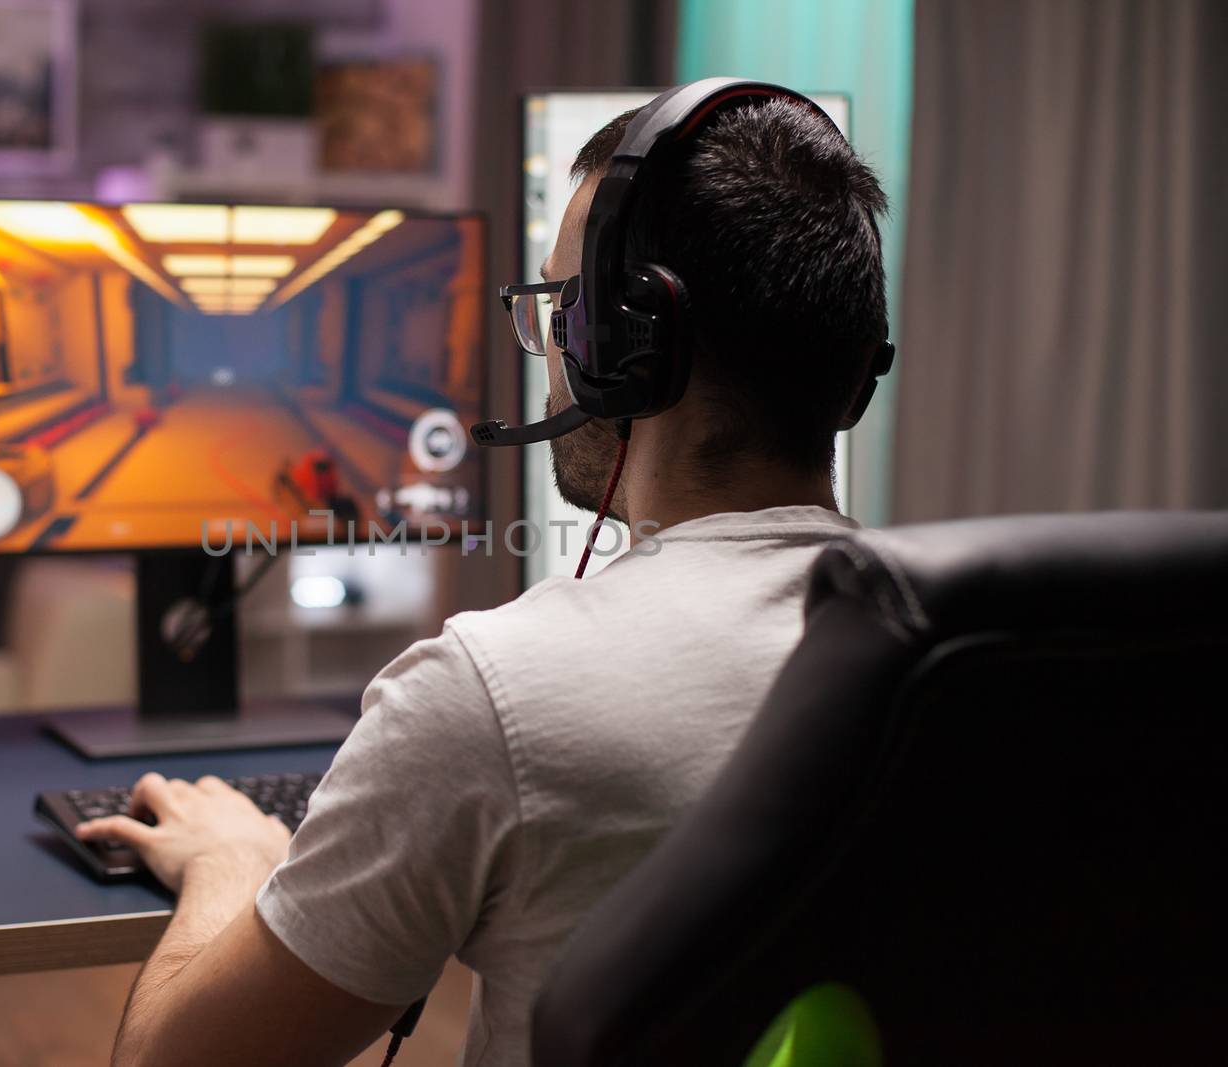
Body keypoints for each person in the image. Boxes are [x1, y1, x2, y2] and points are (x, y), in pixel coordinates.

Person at [74, 93, 891, 1067]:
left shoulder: (492, 693)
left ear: (618, 353)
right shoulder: (976, 663)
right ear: (851, 374)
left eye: (558, 309)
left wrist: (232, 862)